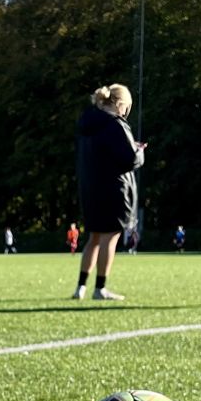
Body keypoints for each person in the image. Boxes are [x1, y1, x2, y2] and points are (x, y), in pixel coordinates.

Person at [72, 84, 145, 300]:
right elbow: (129, 159)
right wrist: (139, 151)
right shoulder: (116, 124)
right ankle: (100, 288)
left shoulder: (88, 124)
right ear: (120, 104)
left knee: (94, 238)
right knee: (110, 237)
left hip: (91, 189)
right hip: (113, 189)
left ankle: (80, 287)